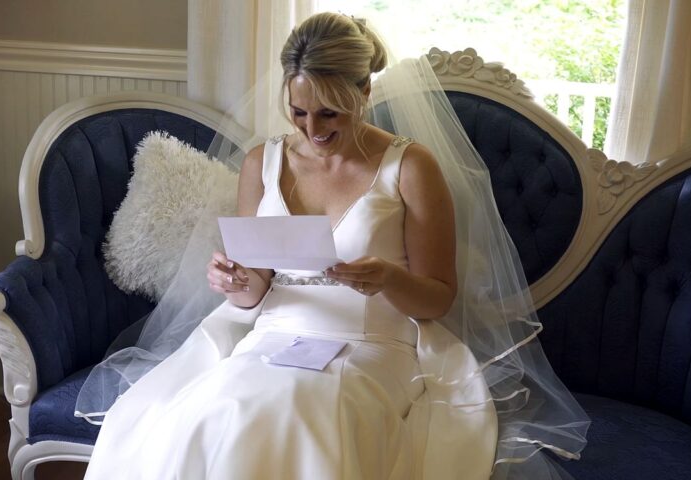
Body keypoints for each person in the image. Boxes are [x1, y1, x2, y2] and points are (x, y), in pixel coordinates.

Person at [82, 12, 588, 480]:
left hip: (373, 343)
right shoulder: (264, 164)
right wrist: (234, 281)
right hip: (273, 339)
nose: (312, 130)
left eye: (329, 114)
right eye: (299, 112)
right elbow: (255, 288)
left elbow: (438, 298)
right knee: (219, 412)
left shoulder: (410, 168)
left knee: (303, 414)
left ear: (363, 91)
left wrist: (389, 278)